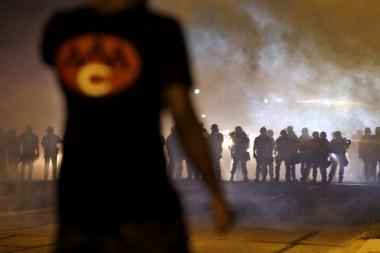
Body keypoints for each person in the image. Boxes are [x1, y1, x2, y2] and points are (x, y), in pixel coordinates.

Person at [41, 1, 231, 252]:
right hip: (145, 197)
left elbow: (49, 54)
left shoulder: (64, 27)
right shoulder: (160, 30)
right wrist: (216, 193)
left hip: (80, 200)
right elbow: (183, 116)